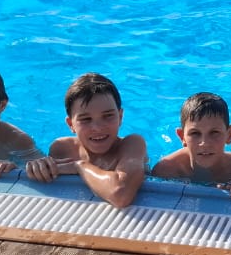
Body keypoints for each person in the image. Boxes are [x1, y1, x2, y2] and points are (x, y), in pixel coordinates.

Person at [25, 72, 146, 208]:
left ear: (120, 117)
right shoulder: (62, 149)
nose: (98, 128)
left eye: (108, 116)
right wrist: (37, 167)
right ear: (71, 125)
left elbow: (120, 194)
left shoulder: (133, 145)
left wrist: (79, 167)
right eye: (86, 119)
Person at [151, 92, 231, 186]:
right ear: (182, 137)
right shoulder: (165, 170)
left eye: (214, 132)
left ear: (229, 135)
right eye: (195, 133)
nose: (204, 143)